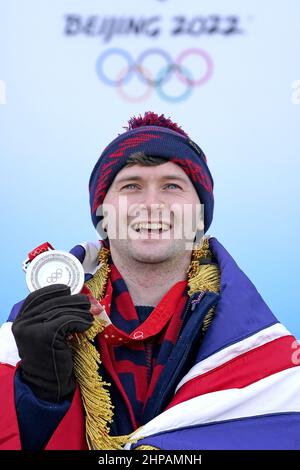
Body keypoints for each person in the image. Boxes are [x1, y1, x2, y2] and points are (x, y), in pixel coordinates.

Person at [0, 112, 299, 450]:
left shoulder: (260, 346)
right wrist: (39, 395)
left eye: (172, 185)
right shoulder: (33, 326)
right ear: (103, 212)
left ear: (199, 213)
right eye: (131, 186)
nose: (152, 204)